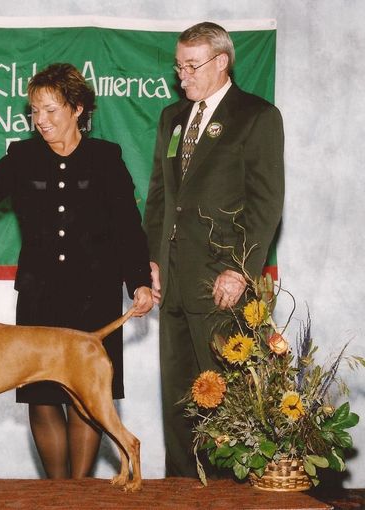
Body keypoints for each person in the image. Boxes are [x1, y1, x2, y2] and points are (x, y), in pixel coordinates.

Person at [0, 63, 153, 480]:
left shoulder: (106, 158)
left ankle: (79, 491)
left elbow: (129, 226)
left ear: (77, 109)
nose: (41, 120)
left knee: (86, 401)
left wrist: (140, 282)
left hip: (96, 293)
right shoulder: (22, 156)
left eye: (50, 110)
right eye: (35, 111)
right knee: (41, 399)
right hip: (41, 292)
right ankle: (54, 493)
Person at [143, 22, 284, 477]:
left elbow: (266, 203)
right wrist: (151, 259)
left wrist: (240, 269)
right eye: (178, 66)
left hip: (224, 283)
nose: (182, 75)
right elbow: (161, 196)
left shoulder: (258, 117)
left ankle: (232, 495)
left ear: (221, 62)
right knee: (180, 401)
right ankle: (182, 491)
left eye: (191, 65)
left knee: (231, 402)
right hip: (175, 282)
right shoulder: (172, 118)